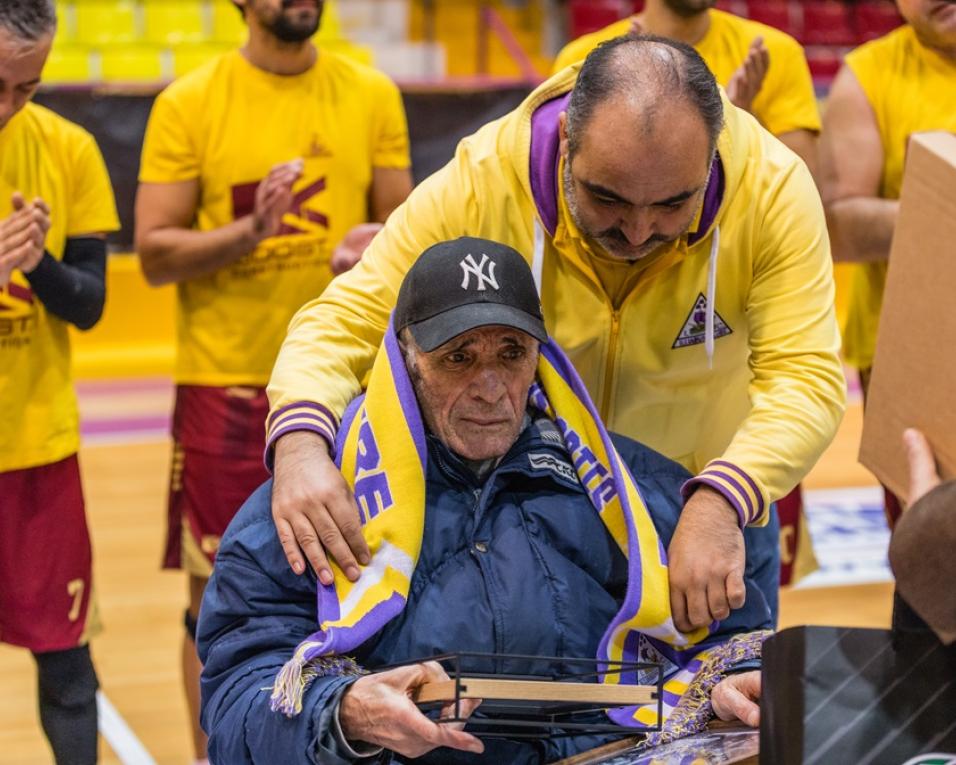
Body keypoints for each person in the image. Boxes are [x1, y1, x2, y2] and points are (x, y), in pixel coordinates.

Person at [265, 36, 845, 635]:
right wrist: (301, 444)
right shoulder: (482, 181)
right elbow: (344, 321)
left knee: (718, 715)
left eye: (674, 205)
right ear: (567, 139)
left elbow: (807, 379)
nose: (640, 231)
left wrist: (727, 495)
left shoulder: (772, 188)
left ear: (711, 159)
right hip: (541, 509)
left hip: (703, 507)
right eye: (607, 198)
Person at [199, 238, 771, 764]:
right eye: (459, 358)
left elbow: (733, 635)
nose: (491, 386)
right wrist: (344, 712)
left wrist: (734, 679)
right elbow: (234, 707)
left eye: (511, 353)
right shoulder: (310, 504)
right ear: (406, 359)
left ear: (541, 358)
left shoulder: (634, 489)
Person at [133, 0, 412, 760]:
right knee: (216, 607)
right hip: (226, 389)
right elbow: (154, 252)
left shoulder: (371, 93)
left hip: (351, 390)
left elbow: (403, 231)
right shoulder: (189, 102)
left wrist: (368, 251)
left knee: (356, 588)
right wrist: (251, 232)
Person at [0, 2, 120, 763]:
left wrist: (36, 264)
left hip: (38, 446)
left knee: (67, 663)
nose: (8, 106)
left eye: (28, 88)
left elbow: (92, 303)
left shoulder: (67, 151)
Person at [819, 0, 956, 527]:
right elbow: (840, 226)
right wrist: (942, 201)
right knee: (930, 545)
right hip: (911, 354)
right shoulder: (869, 75)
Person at [552, 0, 820, 176]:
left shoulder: (774, 52)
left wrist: (743, 124)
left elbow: (804, 186)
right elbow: (566, 178)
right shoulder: (581, 59)